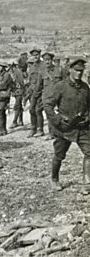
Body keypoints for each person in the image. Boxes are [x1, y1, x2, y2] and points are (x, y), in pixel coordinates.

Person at [43, 59, 90, 192]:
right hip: (64, 128)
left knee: (89, 152)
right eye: (76, 70)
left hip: (81, 127)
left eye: (81, 71)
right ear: (70, 70)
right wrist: (57, 120)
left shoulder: (85, 87)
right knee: (59, 155)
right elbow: (48, 105)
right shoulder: (60, 86)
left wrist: (88, 118)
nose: (79, 73)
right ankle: (54, 179)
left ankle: (87, 184)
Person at [41, 52, 64, 140]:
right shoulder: (42, 72)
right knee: (49, 115)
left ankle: (63, 132)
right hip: (47, 97)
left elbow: (65, 82)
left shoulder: (59, 70)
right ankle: (52, 133)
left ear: (52, 60)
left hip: (59, 96)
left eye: (48, 60)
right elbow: (39, 86)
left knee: (61, 113)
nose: (47, 62)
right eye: (45, 60)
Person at [0, 63, 13, 137]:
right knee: (2, 113)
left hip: (4, 96)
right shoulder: (0, 75)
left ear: (3, 67)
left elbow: (3, 85)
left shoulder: (6, 75)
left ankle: (1, 130)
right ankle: (3, 130)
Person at [27, 56, 45, 137]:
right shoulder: (31, 69)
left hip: (40, 92)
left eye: (30, 64)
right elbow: (30, 81)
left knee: (38, 110)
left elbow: (43, 81)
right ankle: (33, 128)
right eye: (29, 64)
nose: (29, 65)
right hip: (33, 92)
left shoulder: (42, 67)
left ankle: (40, 130)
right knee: (31, 110)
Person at [9, 62, 25, 128]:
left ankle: (14, 121)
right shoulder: (11, 72)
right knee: (19, 105)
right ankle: (20, 121)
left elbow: (21, 82)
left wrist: (22, 90)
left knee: (17, 105)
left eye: (9, 65)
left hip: (19, 90)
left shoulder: (18, 71)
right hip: (15, 91)